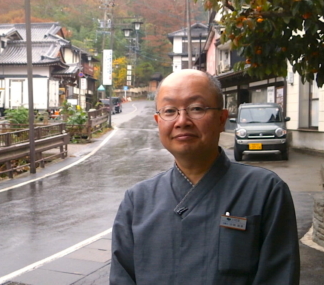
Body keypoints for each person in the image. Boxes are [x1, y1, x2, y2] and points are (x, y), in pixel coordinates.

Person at [110, 70, 300, 284]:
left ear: (221, 119)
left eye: (197, 108)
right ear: (158, 121)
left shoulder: (264, 191)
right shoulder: (137, 201)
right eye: (170, 110)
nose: (182, 121)